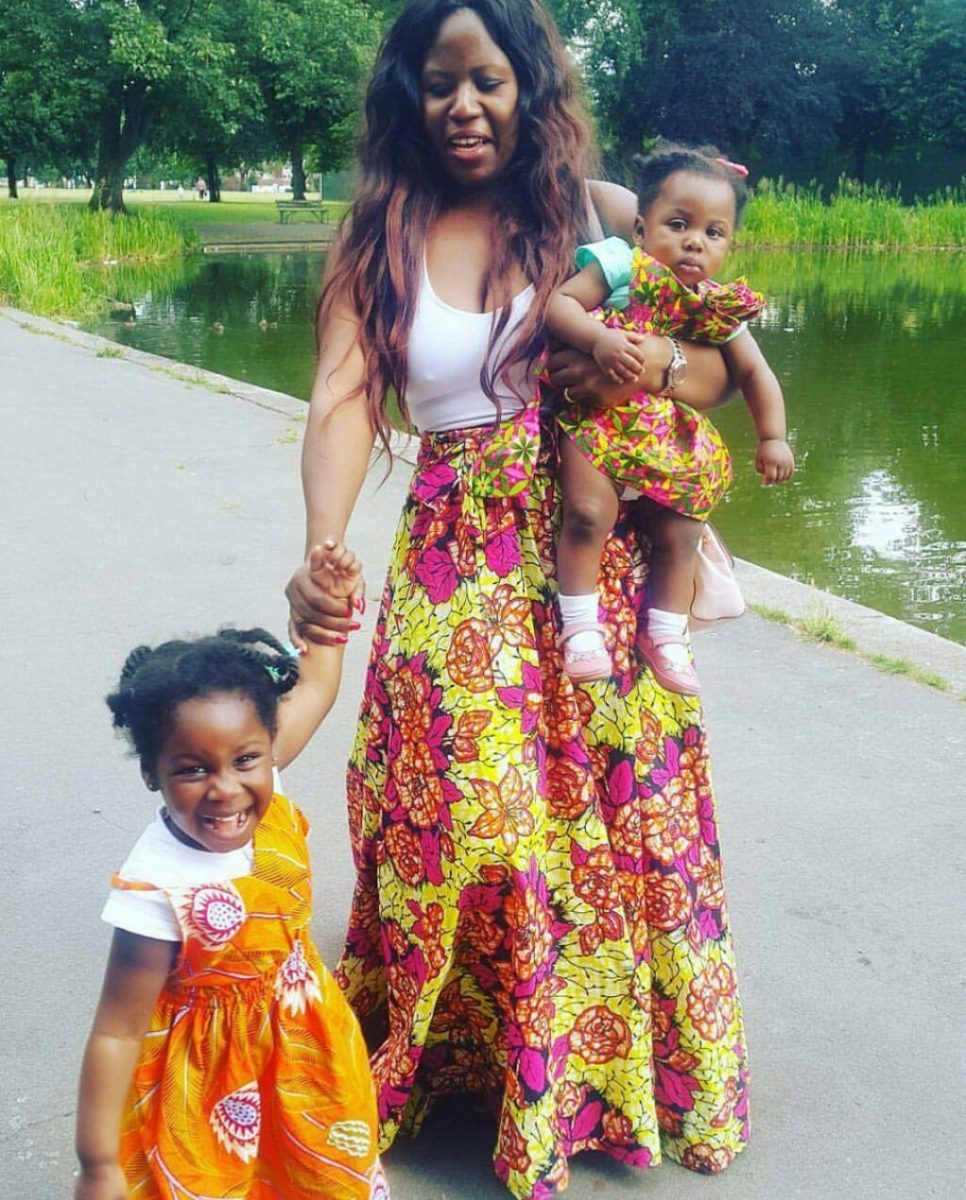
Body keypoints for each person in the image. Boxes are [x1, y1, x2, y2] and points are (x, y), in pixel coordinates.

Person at [286, 2, 748, 1196]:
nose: (464, 105)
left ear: (528, 87)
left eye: (487, 80)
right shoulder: (380, 232)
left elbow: (714, 367)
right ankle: (470, 1054)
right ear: (408, 94)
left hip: (592, 554)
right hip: (455, 552)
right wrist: (323, 547)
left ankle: (594, 1072)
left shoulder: (593, 214)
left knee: (614, 809)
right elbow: (342, 395)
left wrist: (646, 362)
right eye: (439, 82)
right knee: (466, 807)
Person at [74, 542, 390, 1200]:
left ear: (265, 749)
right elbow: (117, 1031)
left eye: (245, 760)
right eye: (192, 769)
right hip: (208, 1088)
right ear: (152, 772)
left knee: (316, 1178)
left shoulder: (261, 774)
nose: (225, 788)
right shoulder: (155, 888)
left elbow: (317, 683)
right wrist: (98, 1165)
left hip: (309, 1054)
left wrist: (330, 604)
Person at [548, 143, 795, 693]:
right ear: (641, 227)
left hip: (667, 438)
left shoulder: (716, 307)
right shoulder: (619, 265)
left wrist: (773, 436)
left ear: (728, 245)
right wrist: (598, 338)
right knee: (587, 514)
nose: (694, 242)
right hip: (599, 425)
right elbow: (560, 305)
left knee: (682, 530)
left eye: (714, 233)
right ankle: (580, 627)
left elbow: (754, 373)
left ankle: (667, 632)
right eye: (678, 225)